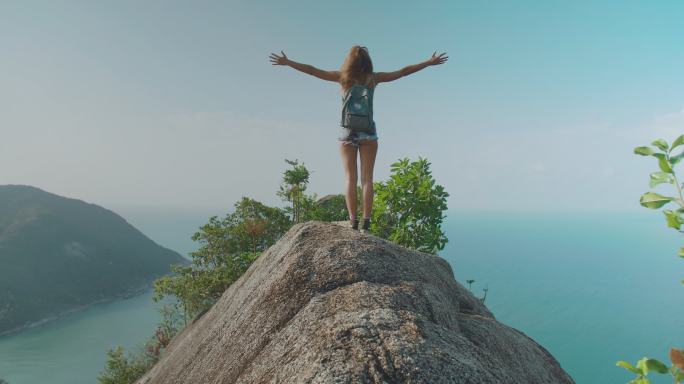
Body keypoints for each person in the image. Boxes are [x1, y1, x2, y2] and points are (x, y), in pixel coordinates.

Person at [269, 45, 448, 231]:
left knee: (350, 179)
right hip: (369, 132)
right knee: (367, 179)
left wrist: (288, 63)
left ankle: (353, 221)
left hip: (347, 132)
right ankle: (367, 222)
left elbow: (313, 71)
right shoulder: (373, 78)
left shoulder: (343, 77)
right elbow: (403, 72)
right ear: (367, 61)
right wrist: (428, 62)